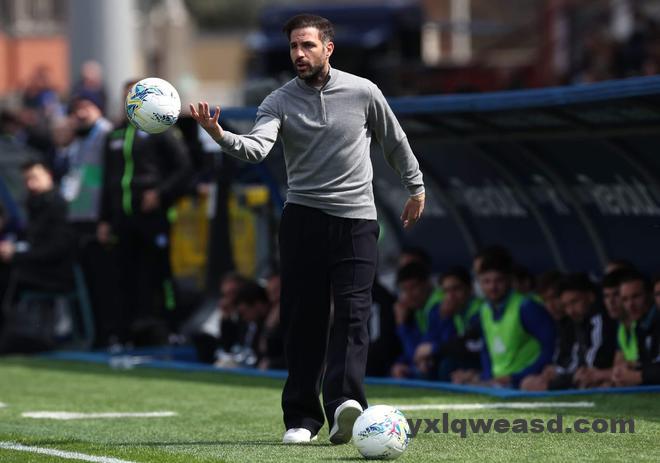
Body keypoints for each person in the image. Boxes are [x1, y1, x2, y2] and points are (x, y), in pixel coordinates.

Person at [190, 14, 425, 444]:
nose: (299, 54)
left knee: (354, 313)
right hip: (303, 219)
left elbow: (395, 141)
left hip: (357, 220)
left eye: (307, 45)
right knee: (304, 320)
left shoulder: (364, 91)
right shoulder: (277, 100)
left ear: (328, 48)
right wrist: (219, 133)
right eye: (294, 47)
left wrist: (417, 187)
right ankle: (301, 418)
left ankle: (344, 404)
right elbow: (257, 148)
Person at [98, 80, 192, 345]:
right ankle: (125, 333)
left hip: (153, 217)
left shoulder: (160, 128)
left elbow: (184, 168)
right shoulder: (114, 134)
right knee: (123, 275)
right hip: (122, 217)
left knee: (161, 272)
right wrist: (104, 218)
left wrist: (160, 193)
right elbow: (108, 180)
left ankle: (172, 328)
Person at [413, 266, 482, 381]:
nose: (450, 296)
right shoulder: (453, 311)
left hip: (481, 363)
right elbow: (438, 338)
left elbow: (469, 345)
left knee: (447, 365)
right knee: (429, 364)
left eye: (456, 289)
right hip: (467, 359)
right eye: (446, 291)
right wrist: (444, 319)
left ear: (470, 288)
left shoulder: (479, 310)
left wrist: (434, 348)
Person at [612, 272, 660, 386]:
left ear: (649, 295)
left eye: (636, 296)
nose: (630, 305)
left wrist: (638, 376)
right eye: (625, 299)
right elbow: (650, 362)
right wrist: (633, 367)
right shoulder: (640, 325)